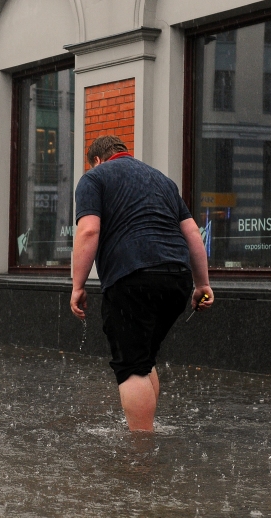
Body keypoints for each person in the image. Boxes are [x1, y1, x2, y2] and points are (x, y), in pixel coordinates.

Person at [70, 135, 214, 432]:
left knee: (131, 366)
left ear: (97, 160)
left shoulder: (94, 179)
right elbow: (192, 234)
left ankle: (140, 451)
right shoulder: (162, 181)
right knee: (144, 359)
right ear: (123, 153)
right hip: (176, 279)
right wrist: (202, 284)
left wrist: (78, 286)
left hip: (131, 277)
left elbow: (88, 231)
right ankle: (147, 429)